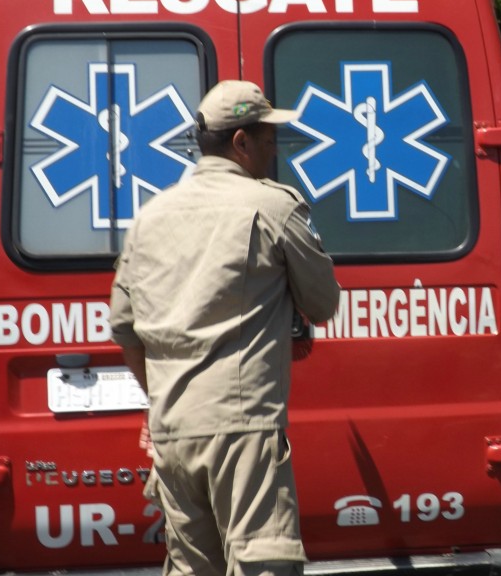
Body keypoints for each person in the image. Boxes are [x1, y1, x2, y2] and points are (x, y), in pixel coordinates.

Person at [110, 80, 341, 576]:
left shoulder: (149, 217)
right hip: (243, 430)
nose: (274, 148)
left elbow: (124, 329)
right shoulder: (273, 206)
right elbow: (323, 304)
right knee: (263, 563)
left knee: (193, 568)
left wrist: (160, 399)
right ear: (241, 143)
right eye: (268, 137)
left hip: (171, 431)